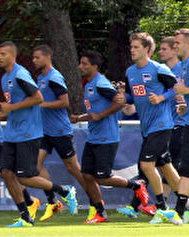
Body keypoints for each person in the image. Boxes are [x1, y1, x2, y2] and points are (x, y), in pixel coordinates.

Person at [0, 41, 77, 227]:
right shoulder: (5, 78)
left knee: (24, 177)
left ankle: (64, 191)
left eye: (3, 54)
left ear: (12, 56)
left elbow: (37, 98)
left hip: (28, 133)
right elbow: (14, 107)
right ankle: (25, 216)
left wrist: (10, 108)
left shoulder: (21, 74)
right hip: (12, 133)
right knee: (5, 173)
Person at [71, 50, 150, 223]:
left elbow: (118, 101)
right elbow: (95, 112)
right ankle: (100, 212)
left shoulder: (100, 83)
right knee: (87, 175)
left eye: (84, 64)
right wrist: (79, 118)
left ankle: (137, 185)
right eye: (81, 63)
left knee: (102, 177)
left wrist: (101, 115)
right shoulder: (89, 84)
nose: (80, 67)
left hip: (107, 138)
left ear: (95, 67)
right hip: (93, 137)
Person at [122, 32, 184, 225]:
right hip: (147, 126)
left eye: (136, 47)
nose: (132, 50)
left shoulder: (159, 69)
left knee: (146, 165)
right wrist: (125, 102)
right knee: (165, 167)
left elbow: (176, 89)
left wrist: (161, 98)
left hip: (162, 125)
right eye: (131, 47)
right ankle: (183, 208)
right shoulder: (130, 72)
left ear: (147, 49)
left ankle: (162, 208)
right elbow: (132, 97)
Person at [31, 44, 86, 222]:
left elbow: (64, 102)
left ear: (48, 58)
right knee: (36, 165)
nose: (34, 61)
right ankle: (52, 201)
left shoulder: (55, 77)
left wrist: (41, 105)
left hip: (61, 131)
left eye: (37, 57)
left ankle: (95, 201)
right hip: (45, 132)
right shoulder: (40, 78)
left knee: (73, 168)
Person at [172, 28, 189, 221]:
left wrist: (185, 89)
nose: (175, 46)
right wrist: (184, 107)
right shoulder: (184, 65)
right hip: (187, 122)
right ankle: (179, 211)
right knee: (185, 169)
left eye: (178, 43)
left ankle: (179, 212)